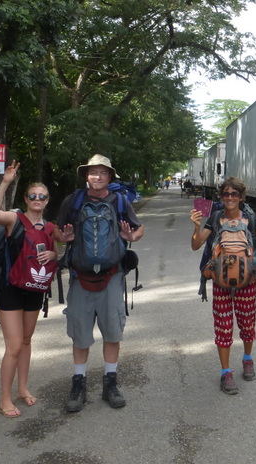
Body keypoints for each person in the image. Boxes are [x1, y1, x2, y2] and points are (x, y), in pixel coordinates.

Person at [57, 154, 144, 413]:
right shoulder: (73, 201)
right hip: (80, 277)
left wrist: (132, 236)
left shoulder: (120, 201)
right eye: (93, 172)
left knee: (112, 332)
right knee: (80, 334)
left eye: (103, 172)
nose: (98, 176)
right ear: (86, 175)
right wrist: (63, 237)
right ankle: (78, 384)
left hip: (112, 276)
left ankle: (110, 383)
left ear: (110, 177)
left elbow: (139, 229)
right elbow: (58, 231)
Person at [189, 177, 256, 395]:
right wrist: (196, 227)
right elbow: (196, 245)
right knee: (223, 327)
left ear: (241, 197)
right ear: (221, 196)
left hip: (248, 281)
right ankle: (226, 372)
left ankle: (247, 359)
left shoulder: (251, 219)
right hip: (221, 282)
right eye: (226, 194)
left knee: (247, 324)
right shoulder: (215, 218)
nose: (229, 198)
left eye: (234, 194)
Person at [0, 161, 69, 418]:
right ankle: (5, 398)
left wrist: (54, 254)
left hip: (34, 288)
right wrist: (6, 182)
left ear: (47, 200)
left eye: (42, 196)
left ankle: (22, 388)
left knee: (25, 340)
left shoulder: (50, 227)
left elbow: (60, 248)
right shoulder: (15, 219)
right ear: (26, 198)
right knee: (13, 346)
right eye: (32, 196)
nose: (37, 200)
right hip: (9, 288)